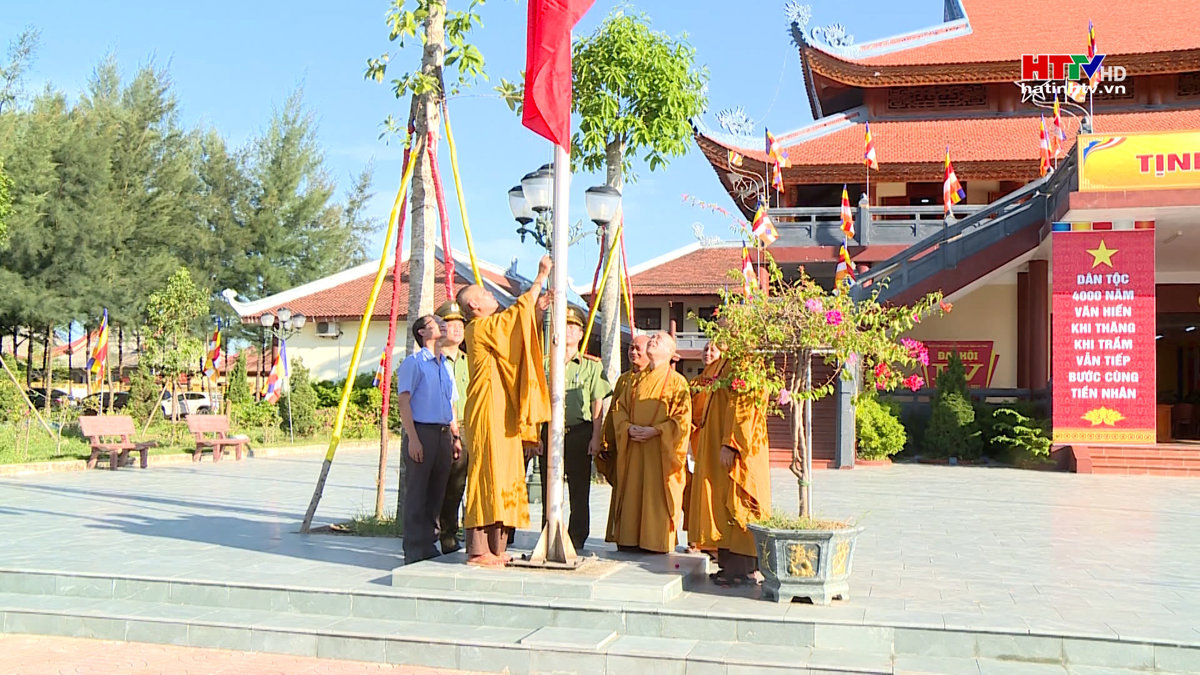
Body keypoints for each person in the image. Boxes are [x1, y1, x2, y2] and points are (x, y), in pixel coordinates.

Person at [457, 255, 552, 566]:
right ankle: (478, 549)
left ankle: (497, 547)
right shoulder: (478, 328)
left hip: (503, 410)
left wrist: (536, 312)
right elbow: (512, 319)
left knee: (506, 474)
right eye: (485, 293)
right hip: (487, 411)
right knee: (486, 474)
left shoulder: (489, 327)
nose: (491, 295)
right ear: (474, 306)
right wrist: (539, 278)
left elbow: (516, 332)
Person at [686, 347, 771, 585]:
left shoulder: (746, 361)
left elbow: (744, 405)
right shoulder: (725, 363)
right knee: (721, 502)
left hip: (737, 448)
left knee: (738, 502)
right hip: (717, 443)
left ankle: (743, 569)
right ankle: (729, 567)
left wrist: (731, 443)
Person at [529, 305, 611, 551]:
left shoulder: (591, 366)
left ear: (581, 333)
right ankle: (549, 531)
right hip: (549, 431)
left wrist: (596, 437)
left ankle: (577, 537)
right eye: (565, 326)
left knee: (579, 488)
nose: (569, 331)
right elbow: (535, 399)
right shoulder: (545, 364)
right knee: (549, 486)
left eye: (574, 327)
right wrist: (535, 435)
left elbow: (597, 403)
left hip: (579, 431)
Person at [606, 332, 691, 553]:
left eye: (658, 339)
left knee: (656, 495)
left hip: (659, 450)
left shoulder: (677, 382)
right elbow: (620, 409)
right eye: (652, 338)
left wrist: (656, 431)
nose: (653, 340)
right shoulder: (634, 380)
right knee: (632, 492)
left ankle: (655, 541)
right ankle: (629, 538)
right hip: (634, 445)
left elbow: (682, 420)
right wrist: (627, 427)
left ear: (670, 352)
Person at [394, 314, 460, 564]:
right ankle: (413, 547)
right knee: (417, 491)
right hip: (422, 432)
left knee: (437, 491)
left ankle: (429, 542)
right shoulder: (415, 363)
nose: (443, 325)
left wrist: (455, 435)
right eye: (435, 323)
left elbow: (450, 404)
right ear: (422, 332)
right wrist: (413, 438)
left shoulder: (445, 366)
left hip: (443, 434)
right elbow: (404, 401)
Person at [435, 300, 470, 555]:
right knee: (445, 484)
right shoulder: (434, 361)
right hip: (445, 428)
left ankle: (461, 531)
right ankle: (444, 533)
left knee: (461, 485)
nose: (457, 329)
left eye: (460, 324)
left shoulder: (471, 361)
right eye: (450, 324)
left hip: (470, 427)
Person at [685, 339, 724, 554]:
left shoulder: (723, 382)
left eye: (713, 350)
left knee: (712, 490)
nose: (707, 353)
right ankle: (695, 539)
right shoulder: (695, 383)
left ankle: (714, 541)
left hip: (714, 440)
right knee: (693, 491)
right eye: (705, 349)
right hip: (695, 438)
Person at [597, 334, 650, 487]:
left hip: (645, 443)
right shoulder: (624, 379)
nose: (633, 352)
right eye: (631, 348)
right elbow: (613, 410)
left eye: (638, 349)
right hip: (624, 440)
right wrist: (606, 440)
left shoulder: (655, 379)